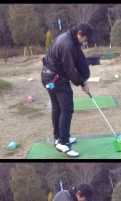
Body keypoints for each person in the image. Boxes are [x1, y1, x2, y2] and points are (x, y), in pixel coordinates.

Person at [41, 22, 95, 157]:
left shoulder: (67, 37)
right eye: (85, 38)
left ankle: (58, 138)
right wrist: (83, 82)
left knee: (57, 107)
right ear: (79, 33)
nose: (85, 41)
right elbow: (70, 71)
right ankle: (63, 142)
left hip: (47, 77)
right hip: (56, 79)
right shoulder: (67, 44)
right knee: (66, 108)